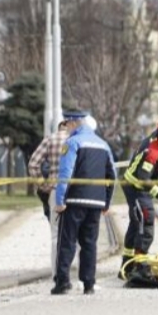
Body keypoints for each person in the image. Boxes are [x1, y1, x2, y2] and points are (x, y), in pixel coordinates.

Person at [51, 110, 116, 295]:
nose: (67, 128)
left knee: (67, 242)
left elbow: (66, 173)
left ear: (73, 123)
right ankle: (89, 284)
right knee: (89, 244)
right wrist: (107, 202)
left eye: (67, 125)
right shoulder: (104, 145)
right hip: (96, 202)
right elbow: (112, 175)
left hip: (74, 201)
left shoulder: (72, 143)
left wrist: (60, 200)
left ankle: (62, 282)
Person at [120, 115, 158, 273]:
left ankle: (126, 266)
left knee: (135, 224)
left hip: (141, 186)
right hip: (136, 186)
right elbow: (144, 179)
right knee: (145, 223)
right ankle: (140, 266)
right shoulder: (153, 150)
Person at [27, 119, 70, 276]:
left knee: (55, 233)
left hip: (55, 188)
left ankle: (57, 273)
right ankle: (79, 273)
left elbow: (33, 164)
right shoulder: (77, 139)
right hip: (76, 190)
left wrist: (42, 185)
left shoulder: (51, 139)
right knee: (78, 234)